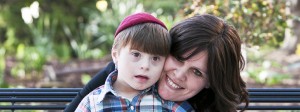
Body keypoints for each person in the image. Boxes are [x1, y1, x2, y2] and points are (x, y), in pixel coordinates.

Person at [66, 14, 249, 112]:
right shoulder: (114, 80)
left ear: (211, 82)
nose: (179, 75)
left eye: (197, 72)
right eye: (178, 58)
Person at [74, 12, 193, 112]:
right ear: (116, 55)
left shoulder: (170, 105)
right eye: (136, 54)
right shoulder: (93, 102)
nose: (145, 66)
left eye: (155, 58)